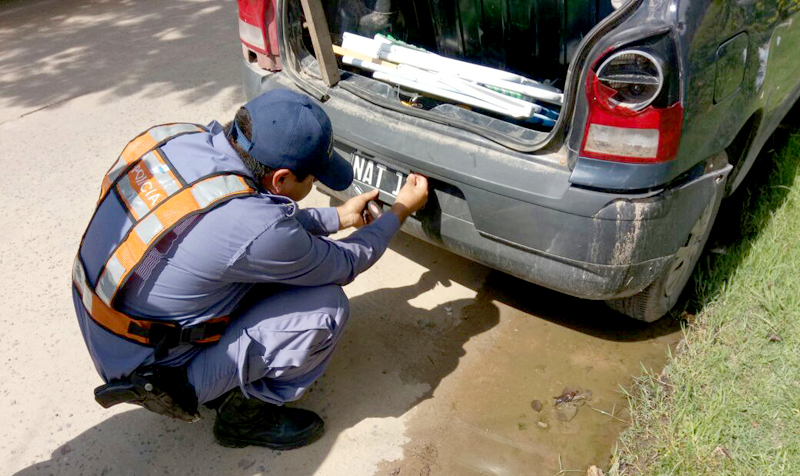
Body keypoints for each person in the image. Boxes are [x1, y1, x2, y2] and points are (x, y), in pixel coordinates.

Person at [72, 89, 428, 449]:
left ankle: (221, 370)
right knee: (326, 309)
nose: (315, 184)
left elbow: (244, 224)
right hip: (157, 374)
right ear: (282, 180)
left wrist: (335, 217)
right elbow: (343, 262)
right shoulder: (256, 227)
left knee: (267, 269)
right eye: (313, 179)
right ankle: (245, 418)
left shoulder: (182, 138)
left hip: (110, 326)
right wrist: (400, 212)